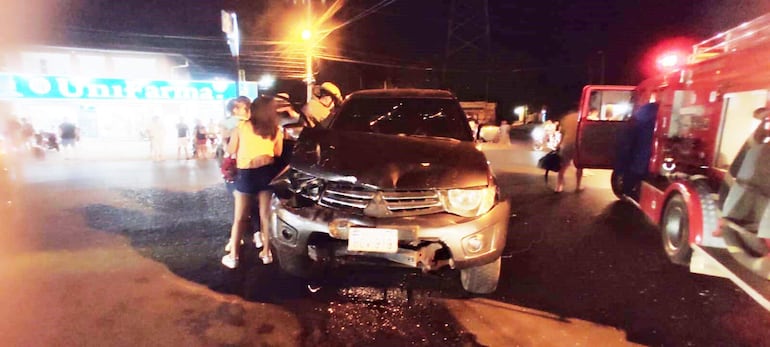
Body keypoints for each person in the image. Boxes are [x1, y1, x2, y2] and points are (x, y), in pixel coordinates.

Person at [221, 96, 283, 269]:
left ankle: (233, 256)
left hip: (247, 173)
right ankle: (267, 252)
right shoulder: (275, 129)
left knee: (240, 217)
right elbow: (277, 152)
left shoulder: (242, 127)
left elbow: (231, 150)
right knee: (265, 215)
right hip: (266, 173)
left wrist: (227, 140)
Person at [615, 103, 659, 200]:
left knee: (633, 174)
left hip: (638, 157)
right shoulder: (652, 116)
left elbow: (627, 143)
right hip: (645, 157)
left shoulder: (639, 118)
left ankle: (627, 191)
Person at [555, 110, 583, 193]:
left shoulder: (565, 118)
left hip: (567, 143)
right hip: (579, 144)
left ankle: (559, 186)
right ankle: (578, 186)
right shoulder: (582, 117)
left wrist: (559, 144)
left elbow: (562, 133)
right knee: (579, 166)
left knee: (563, 166)